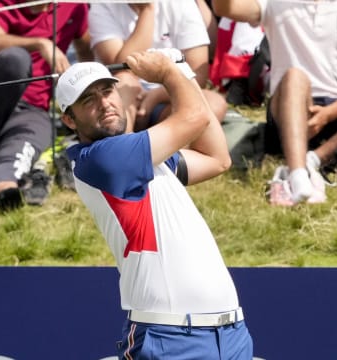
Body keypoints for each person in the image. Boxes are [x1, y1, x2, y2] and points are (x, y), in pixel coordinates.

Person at [56, 49, 253, 359]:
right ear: (70, 119)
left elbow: (217, 159)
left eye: (107, 91)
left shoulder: (144, 157)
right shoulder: (102, 160)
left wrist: (183, 72)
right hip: (171, 339)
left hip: (231, 335)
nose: (104, 103)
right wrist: (167, 73)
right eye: (88, 100)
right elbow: (196, 117)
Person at [212, 0, 337, 206]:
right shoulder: (275, 3)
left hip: (332, 110)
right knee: (295, 76)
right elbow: (224, 8)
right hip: (288, 104)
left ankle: (311, 161)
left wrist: (328, 114)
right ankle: (298, 177)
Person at [0, 0, 92, 211]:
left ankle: (5, 187)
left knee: (24, 145)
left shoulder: (75, 6)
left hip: (33, 109)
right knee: (16, 60)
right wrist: (40, 43)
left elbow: (87, 51)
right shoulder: (0, 2)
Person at [88, 0, 227, 132]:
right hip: (124, 99)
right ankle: (125, 146)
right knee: (125, 80)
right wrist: (147, 11)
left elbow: (199, 75)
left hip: (168, 94)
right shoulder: (102, 6)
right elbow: (121, 67)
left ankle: (164, 151)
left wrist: (155, 97)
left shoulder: (182, 3)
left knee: (215, 103)